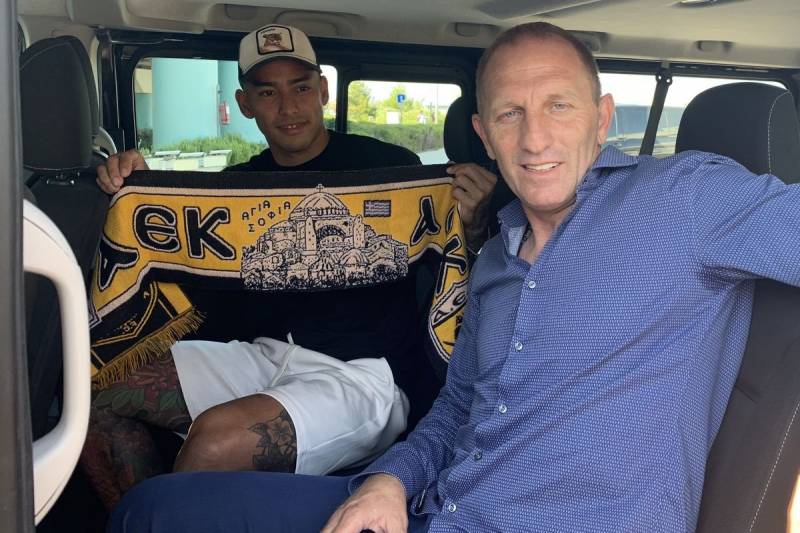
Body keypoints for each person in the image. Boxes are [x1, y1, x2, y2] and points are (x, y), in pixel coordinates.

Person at [109, 20, 800, 533]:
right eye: (510, 114)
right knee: (154, 509)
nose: (534, 138)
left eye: (558, 105)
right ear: (483, 132)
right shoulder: (495, 258)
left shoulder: (686, 199)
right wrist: (388, 479)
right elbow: (456, 409)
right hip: (431, 503)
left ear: (602, 119)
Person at [83, 23, 497, 510]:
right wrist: (146, 193)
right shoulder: (237, 185)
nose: (288, 106)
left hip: (363, 376)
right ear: (245, 104)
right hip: (262, 356)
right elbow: (191, 267)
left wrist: (474, 228)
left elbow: (455, 269)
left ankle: (165, 516)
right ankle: (144, 512)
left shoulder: (390, 167)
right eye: (267, 92)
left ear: (322, 90)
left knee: (215, 442)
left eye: (300, 88)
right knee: (91, 388)